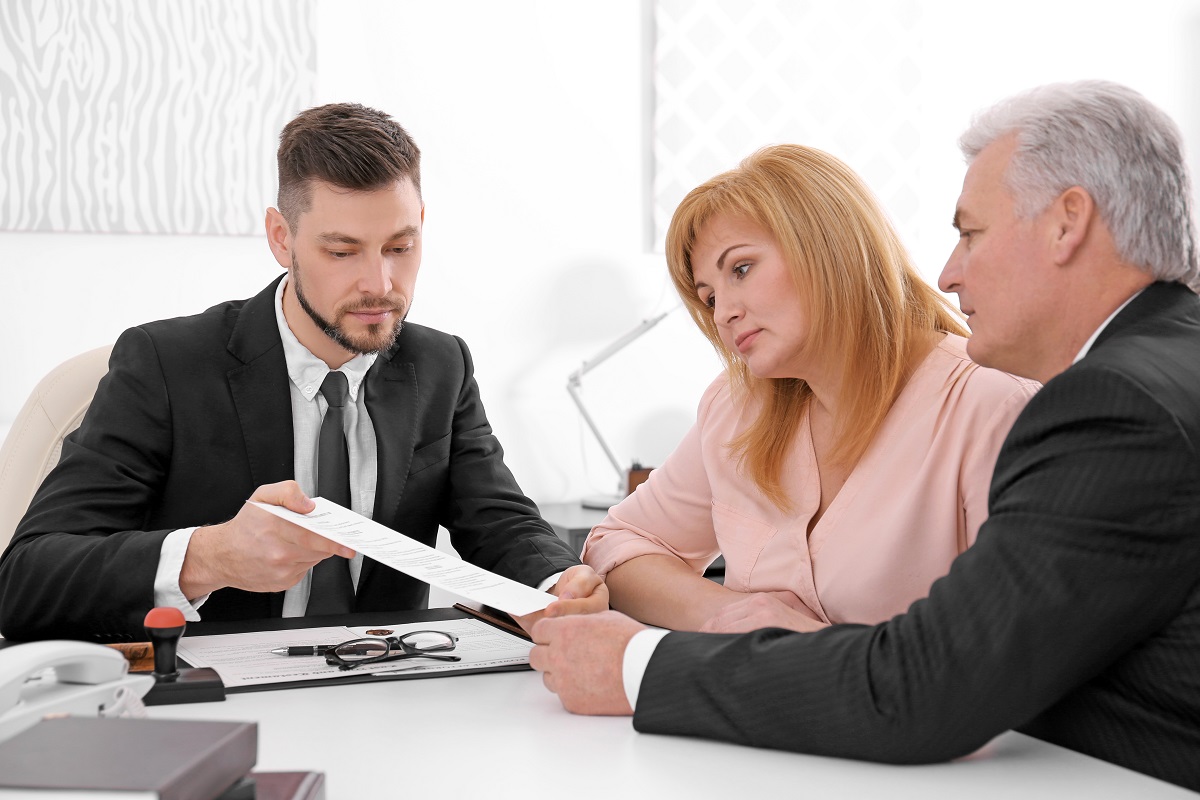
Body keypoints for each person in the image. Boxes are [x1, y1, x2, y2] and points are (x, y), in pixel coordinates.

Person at [530, 80, 1200, 792]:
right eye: (708, 294)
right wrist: (733, 614)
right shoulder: (1155, 367)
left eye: (970, 233)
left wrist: (637, 667)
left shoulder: (1103, 403)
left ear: (1068, 222)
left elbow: (934, 684)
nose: (947, 272)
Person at [0, 102, 605, 642]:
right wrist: (208, 557)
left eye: (401, 246)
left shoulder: (440, 364)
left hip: (389, 701)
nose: (380, 284)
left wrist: (555, 582)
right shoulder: (164, 364)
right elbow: (25, 579)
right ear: (280, 237)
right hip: (222, 706)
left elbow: (498, 522)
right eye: (342, 252)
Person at [581, 145, 1037, 635]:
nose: (721, 313)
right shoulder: (737, 407)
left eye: (741, 269)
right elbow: (619, 543)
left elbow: (1013, 648)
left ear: (827, 243)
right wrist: (729, 618)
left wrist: (800, 646)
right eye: (709, 296)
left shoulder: (995, 408)